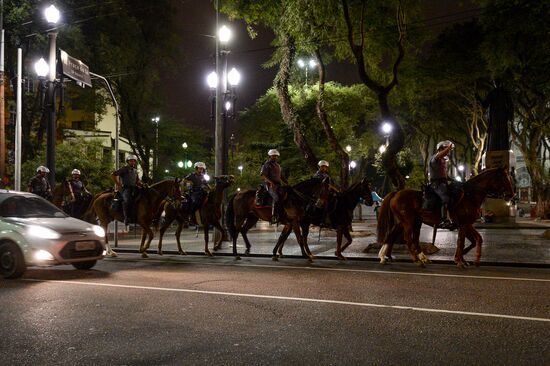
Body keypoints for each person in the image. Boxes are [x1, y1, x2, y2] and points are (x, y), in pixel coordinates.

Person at [429, 140, 455, 229]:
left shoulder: (443, 160)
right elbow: (442, 153)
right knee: (446, 198)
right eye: (444, 149)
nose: (448, 152)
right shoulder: (435, 158)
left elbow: (445, 175)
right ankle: (444, 220)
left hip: (443, 183)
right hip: (436, 184)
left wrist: (453, 180)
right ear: (440, 149)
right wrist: (449, 147)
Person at [111, 154, 142, 225]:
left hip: (134, 188)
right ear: (128, 162)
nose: (133, 162)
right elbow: (113, 175)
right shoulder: (124, 169)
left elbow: (137, 181)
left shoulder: (135, 171)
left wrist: (142, 184)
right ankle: (126, 218)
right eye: (131, 161)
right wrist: (118, 184)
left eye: (134, 161)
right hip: (126, 188)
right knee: (127, 200)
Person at [261, 149, 287, 224]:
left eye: (276, 156)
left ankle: (283, 214)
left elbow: (281, 176)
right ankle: (274, 216)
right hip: (269, 184)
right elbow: (263, 175)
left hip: (278, 185)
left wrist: (287, 183)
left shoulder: (278, 165)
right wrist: (271, 182)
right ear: (270, 156)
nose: (275, 157)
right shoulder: (266, 164)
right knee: (276, 197)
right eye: (273, 156)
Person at [312, 160, 338, 226]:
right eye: (322, 166)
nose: (324, 168)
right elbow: (322, 185)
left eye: (325, 167)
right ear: (319, 167)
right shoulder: (317, 175)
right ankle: (322, 219)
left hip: (328, 193)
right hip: (320, 194)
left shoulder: (326, 175)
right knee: (323, 204)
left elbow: (332, 184)